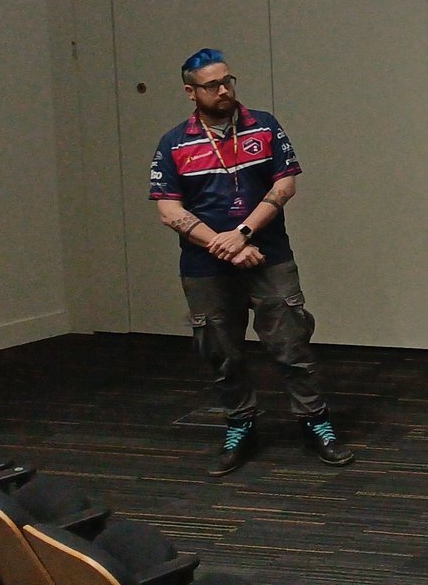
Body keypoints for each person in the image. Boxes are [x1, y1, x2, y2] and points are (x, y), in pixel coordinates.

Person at [149, 48, 353, 475]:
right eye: (211, 85)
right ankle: (240, 423)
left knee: (291, 344)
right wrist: (226, 246)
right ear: (190, 92)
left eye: (228, 81)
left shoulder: (264, 126)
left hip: (269, 255)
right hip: (206, 265)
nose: (223, 90)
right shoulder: (174, 143)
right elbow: (169, 211)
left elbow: (285, 186)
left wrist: (242, 234)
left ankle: (315, 422)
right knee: (221, 352)